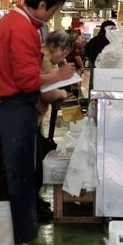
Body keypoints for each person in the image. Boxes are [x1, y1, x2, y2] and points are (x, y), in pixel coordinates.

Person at [0, 0, 75, 245]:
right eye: (54, 11)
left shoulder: (12, 22)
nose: (52, 17)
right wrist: (61, 74)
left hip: (7, 108)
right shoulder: (22, 28)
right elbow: (26, 80)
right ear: (42, 5)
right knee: (11, 178)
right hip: (11, 109)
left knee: (18, 176)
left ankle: (14, 241)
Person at [36, 29, 73, 222]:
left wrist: (61, 62)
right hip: (29, 117)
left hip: (34, 116)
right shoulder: (43, 60)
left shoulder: (46, 58)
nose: (64, 58)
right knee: (34, 164)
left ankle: (35, 202)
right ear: (57, 47)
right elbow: (48, 93)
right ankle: (33, 206)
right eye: (64, 52)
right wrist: (62, 94)